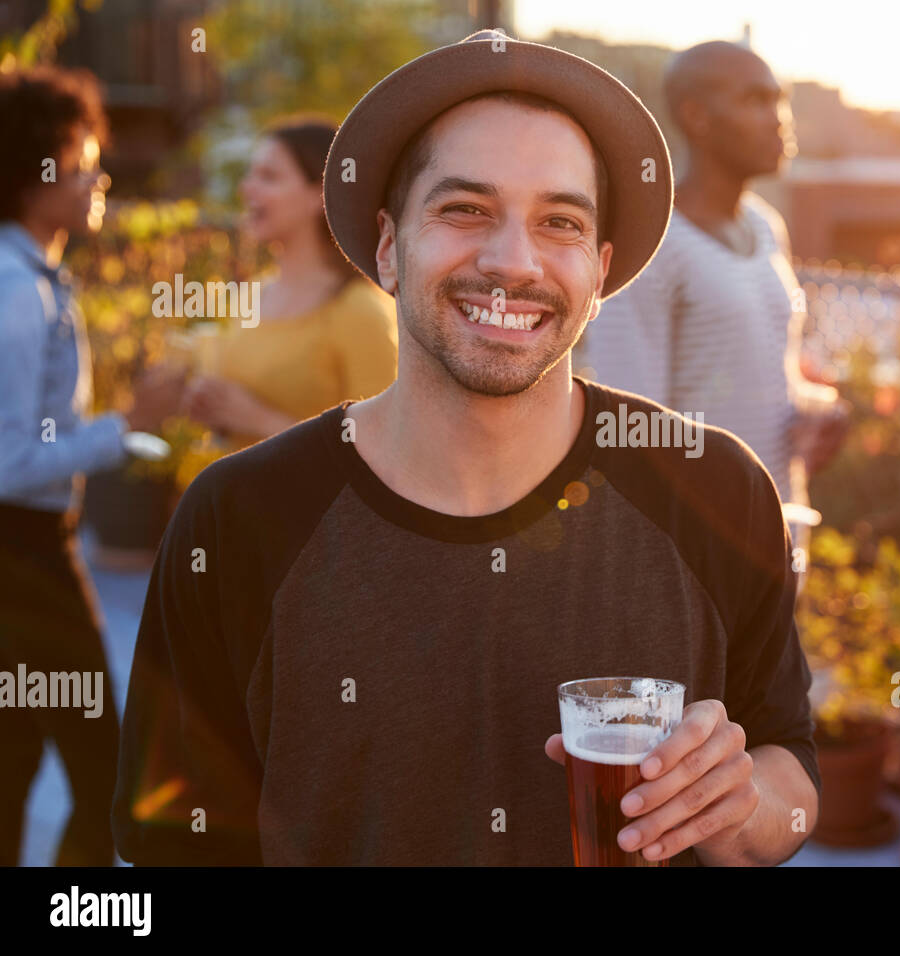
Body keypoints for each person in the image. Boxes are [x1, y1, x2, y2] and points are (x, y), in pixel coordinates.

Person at [111, 31, 821, 866]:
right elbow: (171, 844)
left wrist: (739, 805)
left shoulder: (716, 486)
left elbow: (792, 779)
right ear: (386, 246)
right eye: (464, 209)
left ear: (598, 272)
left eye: (558, 222)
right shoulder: (233, 520)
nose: (511, 260)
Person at [0, 66, 181, 865]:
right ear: (30, 172)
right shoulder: (14, 289)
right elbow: (8, 461)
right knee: (109, 768)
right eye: (80, 160)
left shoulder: (34, 277)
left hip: (30, 546)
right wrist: (128, 426)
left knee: (11, 765)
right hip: (24, 552)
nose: (98, 176)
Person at [575, 41, 848, 544]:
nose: (779, 118)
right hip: (698, 553)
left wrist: (816, 408)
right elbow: (630, 428)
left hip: (780, 531)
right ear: (695, 116)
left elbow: (762, 379)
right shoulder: (650, 243)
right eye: (755, 100)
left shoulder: (767, 228)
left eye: (780, 99)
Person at [181, 117, 398, 450]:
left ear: (319, 194)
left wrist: (259, 419)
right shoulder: (250, 295)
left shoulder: (360, 312)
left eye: (268, 177)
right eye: (251, 174)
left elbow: (384, 449)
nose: (246, 188)